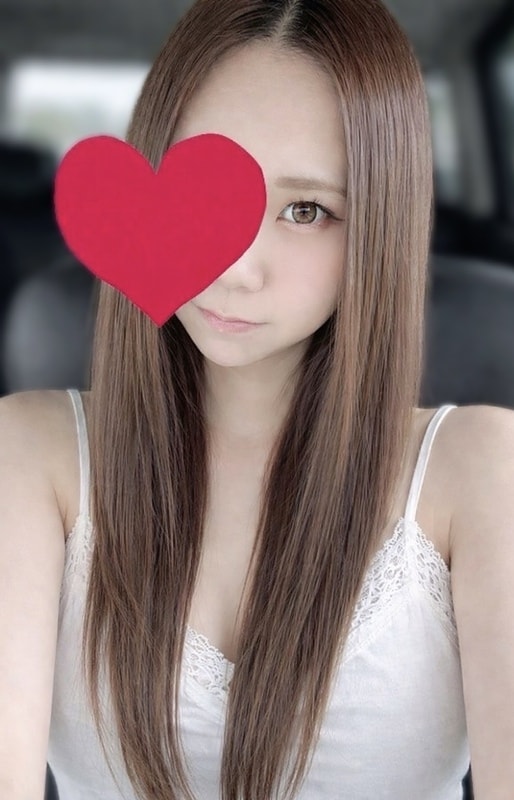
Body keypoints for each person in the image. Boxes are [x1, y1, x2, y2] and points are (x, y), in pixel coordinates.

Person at [1, 0, 513, 798]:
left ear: (379, 226)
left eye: (306, 210)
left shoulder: (483, 469)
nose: (236, 267)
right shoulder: (29, 456)